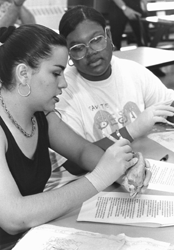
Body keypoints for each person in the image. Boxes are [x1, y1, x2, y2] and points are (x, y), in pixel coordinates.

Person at [0, 24, 151, 249]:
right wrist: (100, 177)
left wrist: (123, 169)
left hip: (34, 235)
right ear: (23, 74)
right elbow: (13, 217)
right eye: (55, 72)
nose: (63, 83)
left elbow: (82, 151)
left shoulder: (42, 117)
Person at [53, 5, 174, 174]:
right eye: (78, 48)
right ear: (68, 53)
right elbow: (73, 164)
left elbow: (169, 107)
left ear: (108, 36)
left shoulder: (132, 71)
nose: (91, 53)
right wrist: (131, 131)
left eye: (96, 40)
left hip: (143, 168)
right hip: (96, 182)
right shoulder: (62, 91)